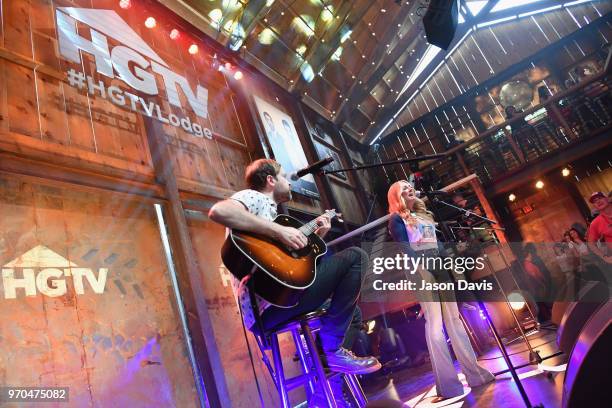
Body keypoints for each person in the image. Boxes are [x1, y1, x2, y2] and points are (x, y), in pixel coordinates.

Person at [208, 159, 380, 403]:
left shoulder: (273, 216)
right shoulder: (255, 198)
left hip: (281, 300)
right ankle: (330, 352)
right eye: (284, 177)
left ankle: (326, 388)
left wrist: (318, 234)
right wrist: (279, 231)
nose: (289, 183)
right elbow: (220, 211)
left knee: (354, 314)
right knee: (356, 257)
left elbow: (296, 270)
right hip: (269, 308)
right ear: (270, 180)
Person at [387, 180, 494, 401]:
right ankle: (447, 384)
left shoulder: (424, 214)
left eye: (410, 185)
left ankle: (475, 374)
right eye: (403, 187)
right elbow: (405, 249)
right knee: (435, 325)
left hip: (440, 266)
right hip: (420, 270)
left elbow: (437, 243)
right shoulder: (396, 219)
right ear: (396, 195)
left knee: (454, 320)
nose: (409, 188)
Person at [586, 191, 612, 264]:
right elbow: (591, 244)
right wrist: (605, 257)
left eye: (600, 198)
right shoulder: (595, 223)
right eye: (595, 201)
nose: (598, 201)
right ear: (594, 206)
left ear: (607, 199)